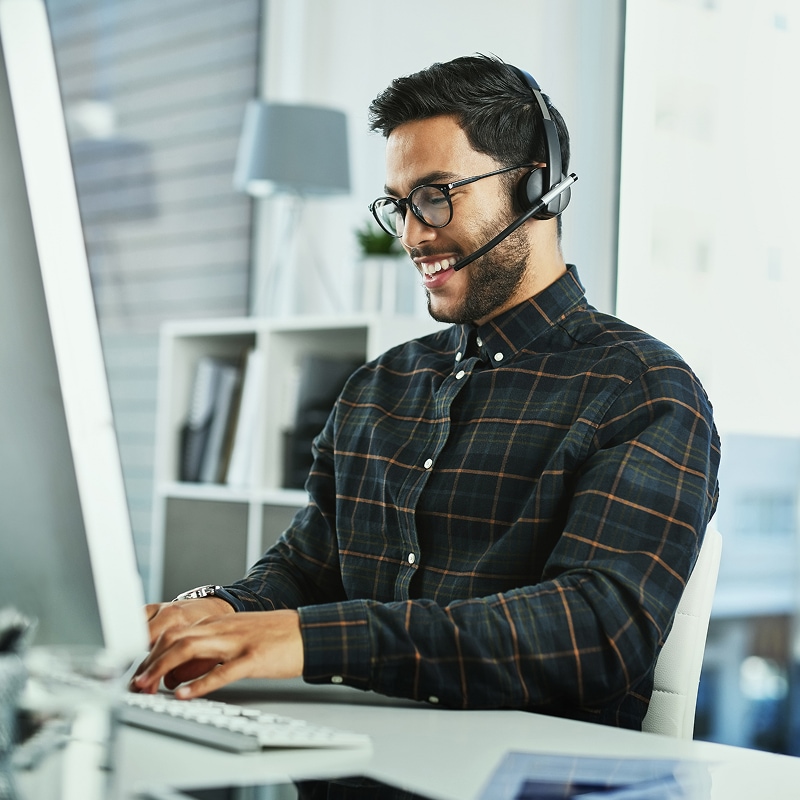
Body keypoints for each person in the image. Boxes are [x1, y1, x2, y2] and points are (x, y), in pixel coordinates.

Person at [133, 54, 721, 730]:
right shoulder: (378, 387)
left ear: (538, 189)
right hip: (349, 758)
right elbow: (306, 570)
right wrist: (221, 612)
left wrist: (314, 640)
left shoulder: (641, 389)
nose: (413, 235)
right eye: (399, 205)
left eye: (437, 195)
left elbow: (594, 632)